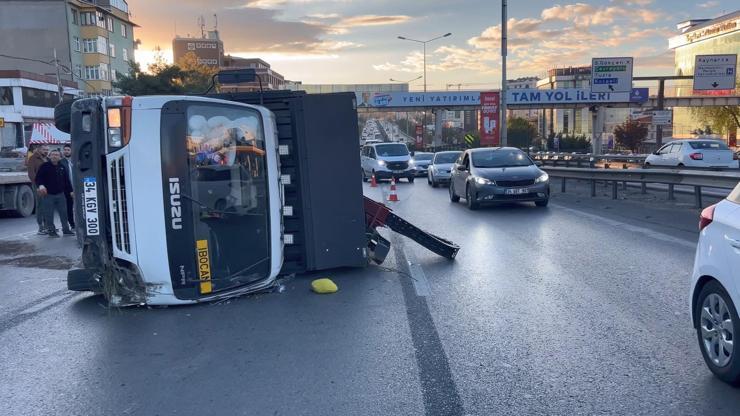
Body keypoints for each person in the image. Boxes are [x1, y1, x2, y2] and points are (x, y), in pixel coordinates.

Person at [35, 149, 74, 237]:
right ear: (49, 156)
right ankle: (51, 231)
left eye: (56, 155)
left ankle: (66, 230)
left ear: (60, 157)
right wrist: (41, 185)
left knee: (64, 213)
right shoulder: (44, 166)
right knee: (49, 214)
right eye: (52, 155)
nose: (54, 156)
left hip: (61, 194)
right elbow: (38, 178)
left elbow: (66, 181)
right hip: (48, 194)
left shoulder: (62, 167)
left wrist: (71, 191)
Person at [26, 144, 49, 234]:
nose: (46, 151)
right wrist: (38, 185)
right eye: (44, 149)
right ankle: (41, 227)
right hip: (38, 186)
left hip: (48, 186)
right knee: (41, 206)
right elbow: (31, 174)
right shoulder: (33, 158)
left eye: (47, 149)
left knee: (47, 205)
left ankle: (48, 225)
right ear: (38, 149)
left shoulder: (46, 158)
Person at [60, 143, 75, 229]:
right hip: (67, 189)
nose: (66, 151)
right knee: (68, 208)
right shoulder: (61, 162)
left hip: (77, 187)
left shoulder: (75, 160)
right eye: (65, 150)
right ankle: (71, 224)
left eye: (68, 150)